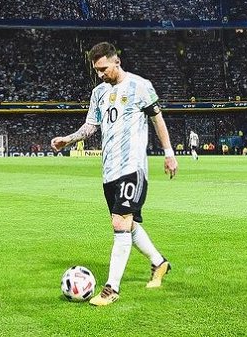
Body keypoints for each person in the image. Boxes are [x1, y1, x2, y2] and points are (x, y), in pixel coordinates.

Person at [51, 42, 177, 307]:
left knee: (120, 224)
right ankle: (159, 263)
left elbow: (157, 119)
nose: (100, 74)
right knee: (129, 225)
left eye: (103, 69)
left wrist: (169, 153)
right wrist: (68, 139)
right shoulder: (98, 92)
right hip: (109, 171)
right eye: (96, 70)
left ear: (116, 61)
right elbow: (90, 126)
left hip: (132, 167)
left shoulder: (140, 86)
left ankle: (111, 288)